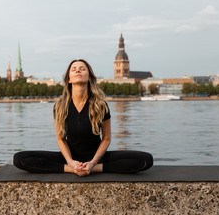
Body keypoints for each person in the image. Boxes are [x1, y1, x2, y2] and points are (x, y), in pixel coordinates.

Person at [14, 59, 153, 176]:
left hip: (97, 158)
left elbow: (106, 138)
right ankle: (71, 170)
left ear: (89, 77)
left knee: (146, 160)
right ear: (69, 78)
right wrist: (70, 162)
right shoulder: (60, 107)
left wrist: (92, 164)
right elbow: (60, 138)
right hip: (70, 158)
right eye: (74, 69)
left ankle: (94, 169)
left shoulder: (100, 105)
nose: (78, 71)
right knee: (19, 159)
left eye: (82, 69)